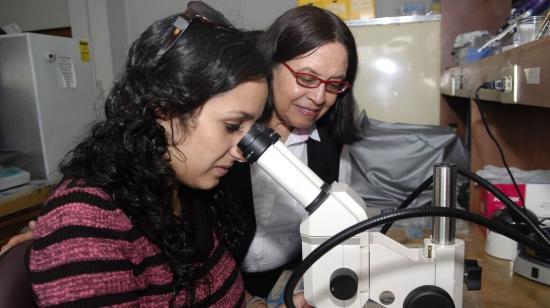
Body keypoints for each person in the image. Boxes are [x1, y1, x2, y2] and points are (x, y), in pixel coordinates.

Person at [18, 2, 276, 307]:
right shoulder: (85, 224)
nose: (241, 151)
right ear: (163, 108)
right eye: (232, 126)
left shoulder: (188, 193)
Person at [223, 5, 361, 298]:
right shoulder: (225, 134)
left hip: (288, 280)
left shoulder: (333, 148)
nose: (319, 97)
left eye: (334, 84)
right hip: (219, 285)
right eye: (307, 78)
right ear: (270, 66)